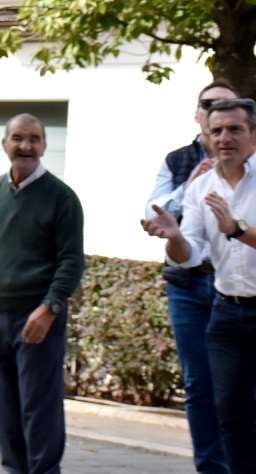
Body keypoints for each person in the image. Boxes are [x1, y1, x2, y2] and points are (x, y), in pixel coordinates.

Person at [0, 113, 85, 474]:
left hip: (37, 316)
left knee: (38, 406)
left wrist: (50, 308)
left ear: (44, 145)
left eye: (34, 139)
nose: (26, 146)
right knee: (4, 403)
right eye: (18, 138)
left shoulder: (62, 198)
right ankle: (13, 468)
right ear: (5, 144)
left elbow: (72, 262)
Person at [142, 97, 256, 473]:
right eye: (217, 130)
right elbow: (189, 254)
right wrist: (173, 237)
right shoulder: (200, 187)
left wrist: (237, 229)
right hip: (226, 313)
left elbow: (233, 232)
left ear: (253, 135)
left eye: (235, 129)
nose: (225, 137)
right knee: (228, 414)